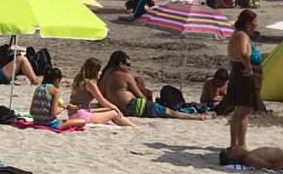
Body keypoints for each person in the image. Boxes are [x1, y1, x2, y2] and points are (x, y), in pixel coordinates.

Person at [100, 51, 207, 121]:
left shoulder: (105, 74)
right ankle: (197, 118)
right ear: (120, 64)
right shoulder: (125, 76)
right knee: (168, 112)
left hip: (119, 108)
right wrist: (148, 98)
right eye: (128, 64)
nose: (129, 67)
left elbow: (104, 94)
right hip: (133, 106)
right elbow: (140, 96)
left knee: (166, 110)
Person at [217, 10, 264, 160]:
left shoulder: (236, 34)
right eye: (255, 21)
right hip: (244, 75)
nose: (257, 24)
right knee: (244, 112)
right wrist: (249, 67)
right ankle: (242, 145)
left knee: (238, 112)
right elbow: (244, 53)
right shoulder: (242, 35)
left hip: (238, 72)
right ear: (248, 23)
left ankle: (234, 144)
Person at [69, 58, 134, 126]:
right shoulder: (90, 83)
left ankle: (133, 125)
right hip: (81, 116)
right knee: (114, 112)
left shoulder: (79, 80)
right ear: (94, 71)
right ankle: (135, 126)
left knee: (107, 109)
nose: (101, 72)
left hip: (73, 114)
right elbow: (102, 100)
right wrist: (115, 107)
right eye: (99, 70)